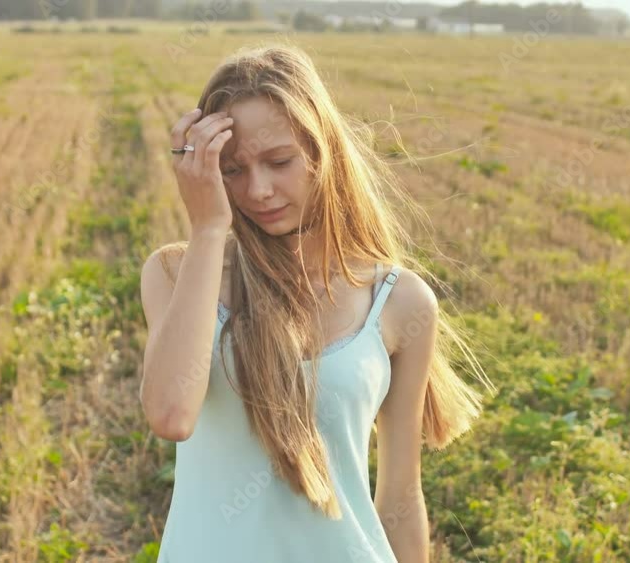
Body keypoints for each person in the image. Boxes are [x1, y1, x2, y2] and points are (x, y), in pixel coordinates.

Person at [139, 42, 493, 563]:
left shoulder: (397, 301)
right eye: (233, 170)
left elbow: (399, 497)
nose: (258, 190)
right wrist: (209, 229)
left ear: (322, 152)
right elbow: (172, 414)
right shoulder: (175, 274)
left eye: (279, 161)